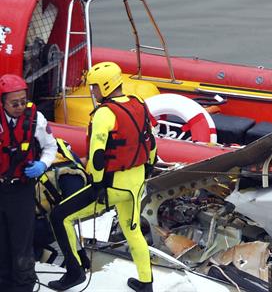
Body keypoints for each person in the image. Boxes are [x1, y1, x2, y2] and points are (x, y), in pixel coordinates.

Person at [49, 62, 157, 292]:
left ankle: (75, 272)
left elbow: (97, 156)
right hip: (136, 184)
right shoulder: (138, 104)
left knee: (60, 216)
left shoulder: (104, 114)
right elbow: (152, 143)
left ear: (106, 86)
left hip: (111, 185)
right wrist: (147, 169)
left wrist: (96, 184)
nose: (93, 93)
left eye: (95, 88)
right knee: (132, 230)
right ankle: (146, 282)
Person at [0, 73, 57, 292]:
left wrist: (42, 165)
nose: (20, 106)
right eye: (14, 103)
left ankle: (23, 286)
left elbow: (51, 147)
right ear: (3, 102)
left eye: (23, 101)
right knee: (2, 242)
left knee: (22, 242)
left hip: (21, 189)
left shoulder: (36, 119)